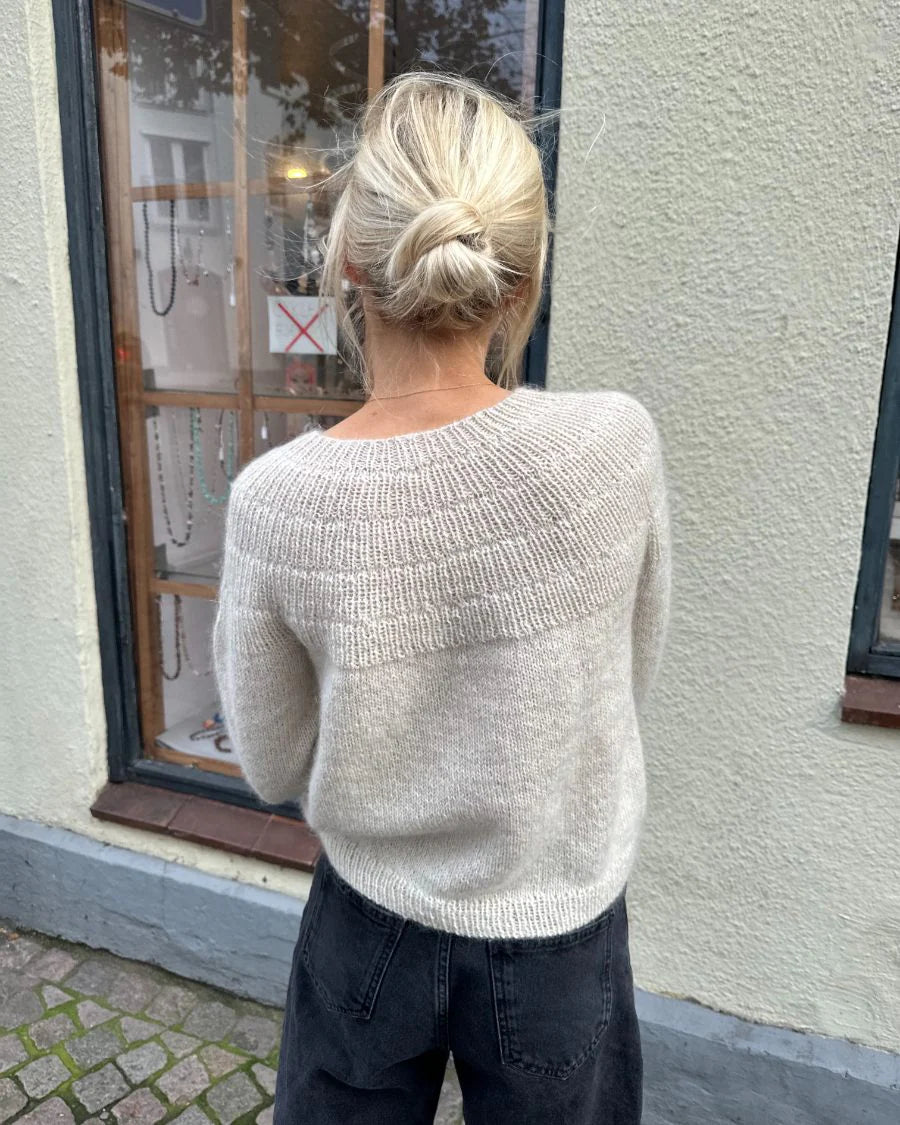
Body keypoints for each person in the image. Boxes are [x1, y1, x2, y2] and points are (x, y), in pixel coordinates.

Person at [212, 70, 672, 1125]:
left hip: (370, 918)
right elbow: (624, 677)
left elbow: (272, 762)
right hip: (559, 918)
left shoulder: (279, 502)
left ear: (348, 263)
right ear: (522, 277)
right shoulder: (616, 445)